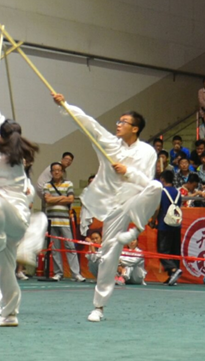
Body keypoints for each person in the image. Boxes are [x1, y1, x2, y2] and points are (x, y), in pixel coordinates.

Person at [52, 93, 162, 323]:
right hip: (113, 208)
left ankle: (137, 228)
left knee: (155, 186)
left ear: (135, 128)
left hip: (135, 201)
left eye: (123, 122)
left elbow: (145, 182)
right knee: (108, 255)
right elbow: (88, 123)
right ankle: (98, 307)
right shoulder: (110, 144)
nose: (118, 125)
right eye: (118, 121)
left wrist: (127, 172)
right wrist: (65, 105)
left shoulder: (148, 152)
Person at [0, 109, 40, 327]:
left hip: (14, 219)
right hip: (10, 226)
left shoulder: (3, 161)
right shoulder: (16, 158)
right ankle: (10, 315)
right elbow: (0, 135)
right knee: (5, 271)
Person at [43, 162, 85, 282]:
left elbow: (71, 199)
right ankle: (58, 273)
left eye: (59, 170)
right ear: (51, 172)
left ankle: (76, 274)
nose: (56, 172)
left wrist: (54, 199)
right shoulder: (47, 185)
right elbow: (47, 200)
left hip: (65, 221)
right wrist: (63, 198)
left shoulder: (68, 184)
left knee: (70, 247)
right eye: (54, 170)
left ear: (62, 172)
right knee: (55, 248)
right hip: (51, 221)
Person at [156, 170, 183, 286]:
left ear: (162, 179)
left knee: (162, 250)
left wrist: (153, 219)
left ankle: (173, 269)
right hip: (176, 224)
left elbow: (158, 208)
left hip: (164, 224)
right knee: (174, 250)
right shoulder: (178, 192)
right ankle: (173, 275)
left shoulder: (161, 192)